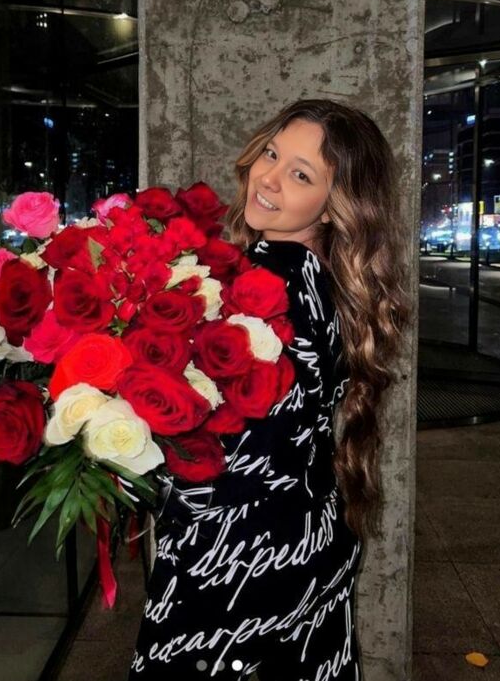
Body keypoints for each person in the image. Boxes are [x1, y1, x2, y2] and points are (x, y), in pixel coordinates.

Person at [127, 98, 411, 680]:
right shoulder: (328, 276)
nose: (269, 178)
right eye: (273, 154)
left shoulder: (266, 280)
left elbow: (239, 442)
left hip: (235, 562)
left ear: (335, 205)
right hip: (309, 535)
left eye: (301, 175)